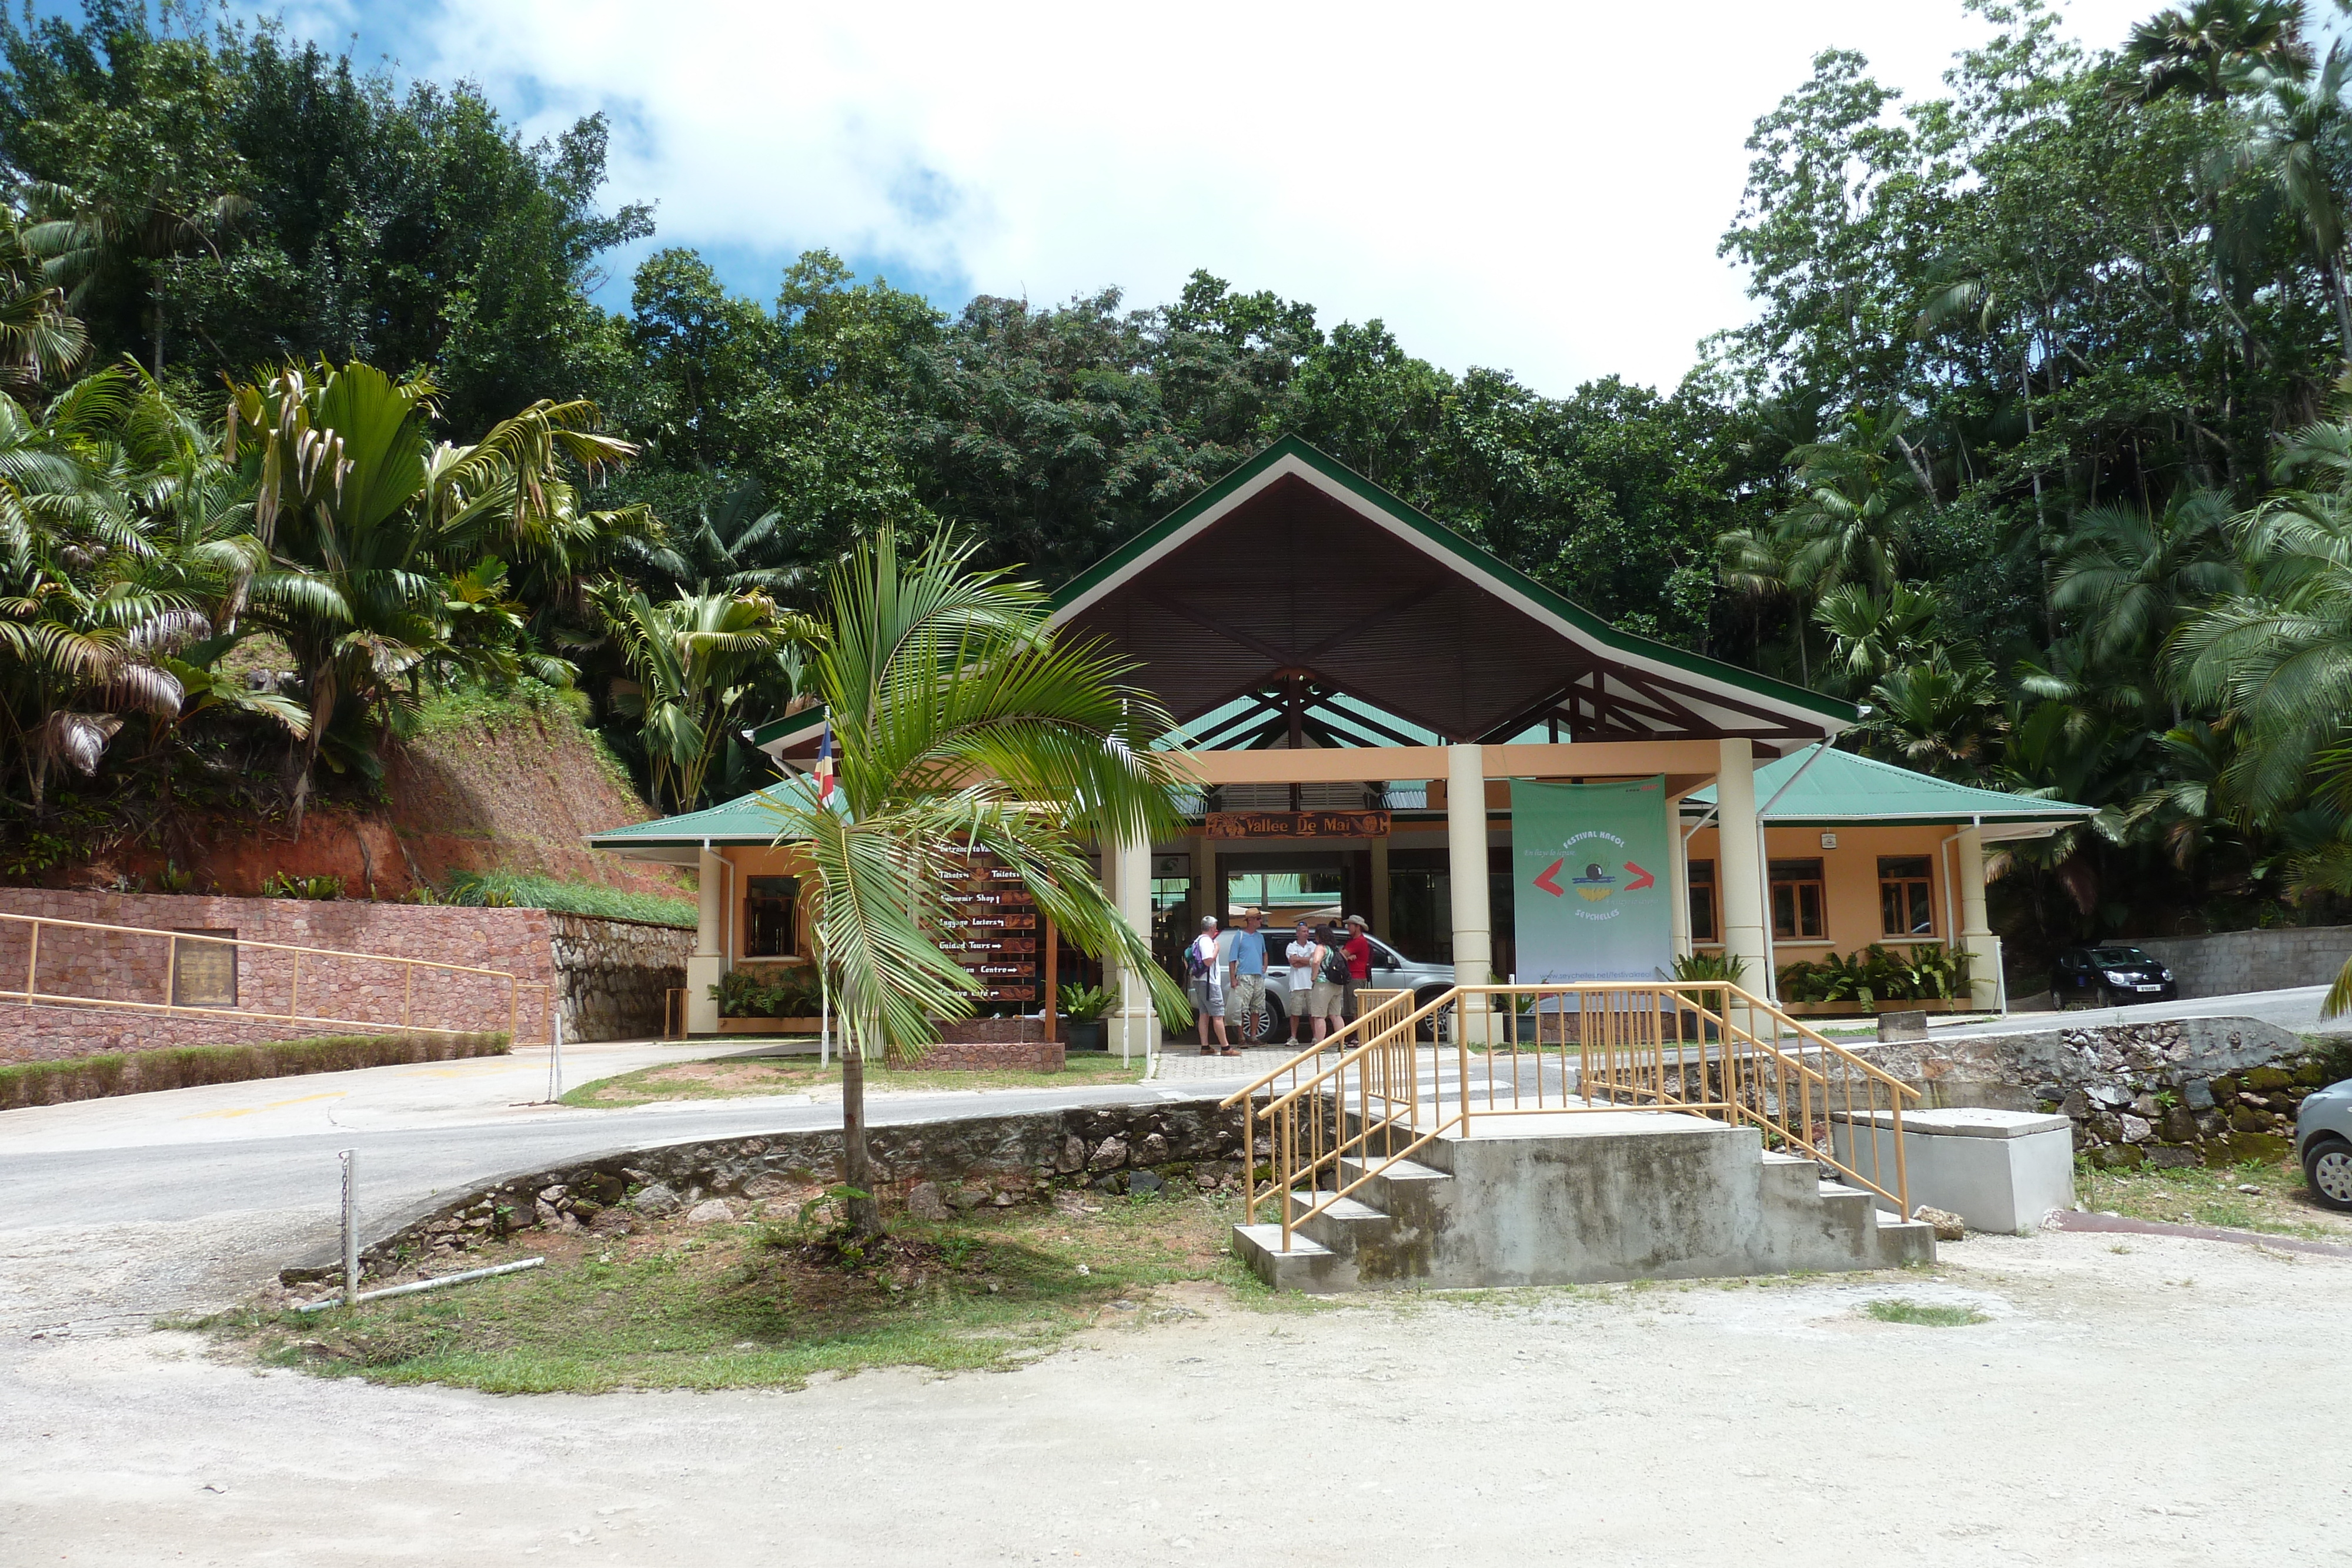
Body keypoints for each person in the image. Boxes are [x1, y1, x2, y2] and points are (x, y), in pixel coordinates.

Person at [1187, 915, 1231, 1056]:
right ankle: (1226, 1048)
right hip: (1209, 982)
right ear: (1212, 928)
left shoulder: (1197, 940)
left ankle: (1205, 1046)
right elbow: (1208, 961)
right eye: (1215, 927)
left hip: (1199, 980)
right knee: (1218, 1015)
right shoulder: (1207, 941)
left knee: (1204, 1014)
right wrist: (1217, 949)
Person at [1224, 907, 1267, 1049]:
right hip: (1244, 975)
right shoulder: (1240, 936)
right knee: (1242, 1008)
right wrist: (1233, 979)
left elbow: (1265, 953)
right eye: (1258, 919)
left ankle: (1254, 1036)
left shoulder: (1260, 937)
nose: (1261, 921)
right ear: (1251, 920)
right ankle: (1241, 1037)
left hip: (1258, 977)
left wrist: (1264, 967)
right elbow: (1232, 959)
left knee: (1257, 1008)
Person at [1284, 919, 1325, 1047]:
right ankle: (1293, 1037)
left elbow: (1313, 960)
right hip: (1296, 985)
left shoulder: (1313, 946)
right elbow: (1293, 962)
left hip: (1311, 984)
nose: (1307, 934)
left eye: (1307, 931)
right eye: (1304, 931)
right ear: (1298, 933)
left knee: (1314, 1013)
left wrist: (1300, 960)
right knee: (1295, 1013)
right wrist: (1308, 960)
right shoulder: (1291, 946)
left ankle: (1315, 1037)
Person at [1309, 922, 1349, 1045]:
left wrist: (1314, 977)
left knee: (1319, 1016)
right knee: (1336, 1015)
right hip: (1336, 984)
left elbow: (1316, 962)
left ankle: (1320, 1045)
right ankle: (1342, 1044)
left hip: (1323, 984)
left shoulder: (1321, 948)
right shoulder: (1334, 949)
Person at [1340, 913, 1374, 1025]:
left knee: (1356, 1009)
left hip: (1356, 978)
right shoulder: (1352, 941)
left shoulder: (1359, 941)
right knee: (1354, 1008)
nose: (1348, 928)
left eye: (1350, 925)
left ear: (1358, 927)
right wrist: (1347, 957)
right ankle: (1357, 1035)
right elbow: (1342, 954)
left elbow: (1340, 954)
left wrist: (1346, 956)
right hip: (1352, 977)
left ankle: (1359, 1036)